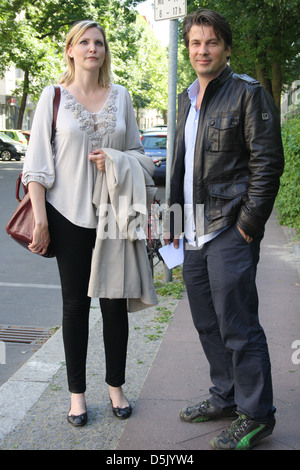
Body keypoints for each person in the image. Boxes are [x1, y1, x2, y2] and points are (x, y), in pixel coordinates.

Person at [22, 20, 156, 427]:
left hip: (113, 216)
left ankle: (116, 387)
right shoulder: (54, 96)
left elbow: (141, 156)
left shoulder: (122, 97)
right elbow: (37, 166)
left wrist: (116, 159)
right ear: (70, 50)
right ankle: (77, 396)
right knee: (75, 306)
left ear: (104, 51)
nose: (92, 48)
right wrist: (41, 220)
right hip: (68, 215)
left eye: (98, 42)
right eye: (84, 42)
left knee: (115, 306)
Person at [164, 9, 284, 450]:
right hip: (193, 231)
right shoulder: (186, 97)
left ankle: (257, 414)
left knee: (238, 325)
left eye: (211, 42)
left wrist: (247, 228)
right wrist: (172, 223)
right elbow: (180, 167)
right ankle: (226, 396)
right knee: (207, 323)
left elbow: (267, 165)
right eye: (195, 43)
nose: (202, 50)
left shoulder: (248, 93)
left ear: (226, 48)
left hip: (229, 230)